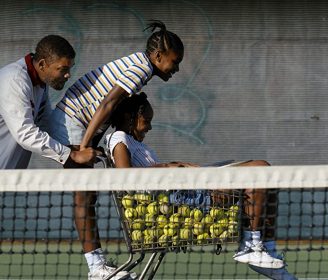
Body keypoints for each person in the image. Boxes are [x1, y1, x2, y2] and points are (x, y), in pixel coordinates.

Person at [105, 93, 297, 278]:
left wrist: (178, 165)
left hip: (186, 189)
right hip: (182, 198)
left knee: (266, 173)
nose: (150, 127)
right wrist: (169, 167)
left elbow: (153, 170)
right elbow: (126, 178)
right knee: (260, 169)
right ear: (129, 118)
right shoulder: (119, 138)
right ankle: (250, 246)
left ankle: (266, 249)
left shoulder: (135, 142)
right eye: (146, 120)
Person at [48, 21, 184, 280]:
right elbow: (108, 104)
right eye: (174, 62)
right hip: (72, 123)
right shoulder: (141, 69)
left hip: (81, 125)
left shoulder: (140, 67)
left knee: (88, 197)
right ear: (158, 56)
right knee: (84, 197)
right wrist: (86, 145)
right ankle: (96, 268)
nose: (176, 69)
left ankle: (97, 264)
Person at [0, 35, 99, 169]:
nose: (68, 75)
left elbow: (46, 125)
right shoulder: (14, 80)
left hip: (7, 180)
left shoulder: (40, 82)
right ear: (42, 65)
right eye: (63, 69)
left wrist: (78, 147)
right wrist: (72, 155)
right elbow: (25, 133)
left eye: (69, 69)